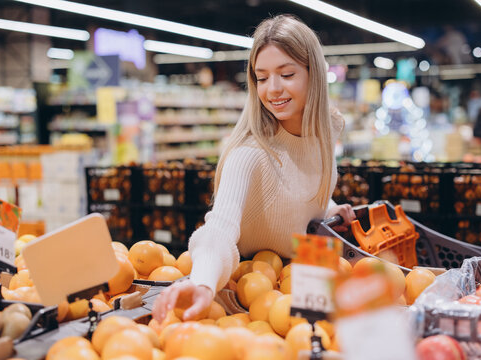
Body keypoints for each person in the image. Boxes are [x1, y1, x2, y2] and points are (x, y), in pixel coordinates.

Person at [152, 14, 355, 322]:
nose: (272, 89)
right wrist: (203, 283)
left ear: (314, 74)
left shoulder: (327, 129)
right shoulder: (249, 153)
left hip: (302, 275)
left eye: (286, 74)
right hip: (249, 292)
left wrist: (331, 210)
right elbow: (219, 228)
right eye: (261, 78)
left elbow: (300, 192)